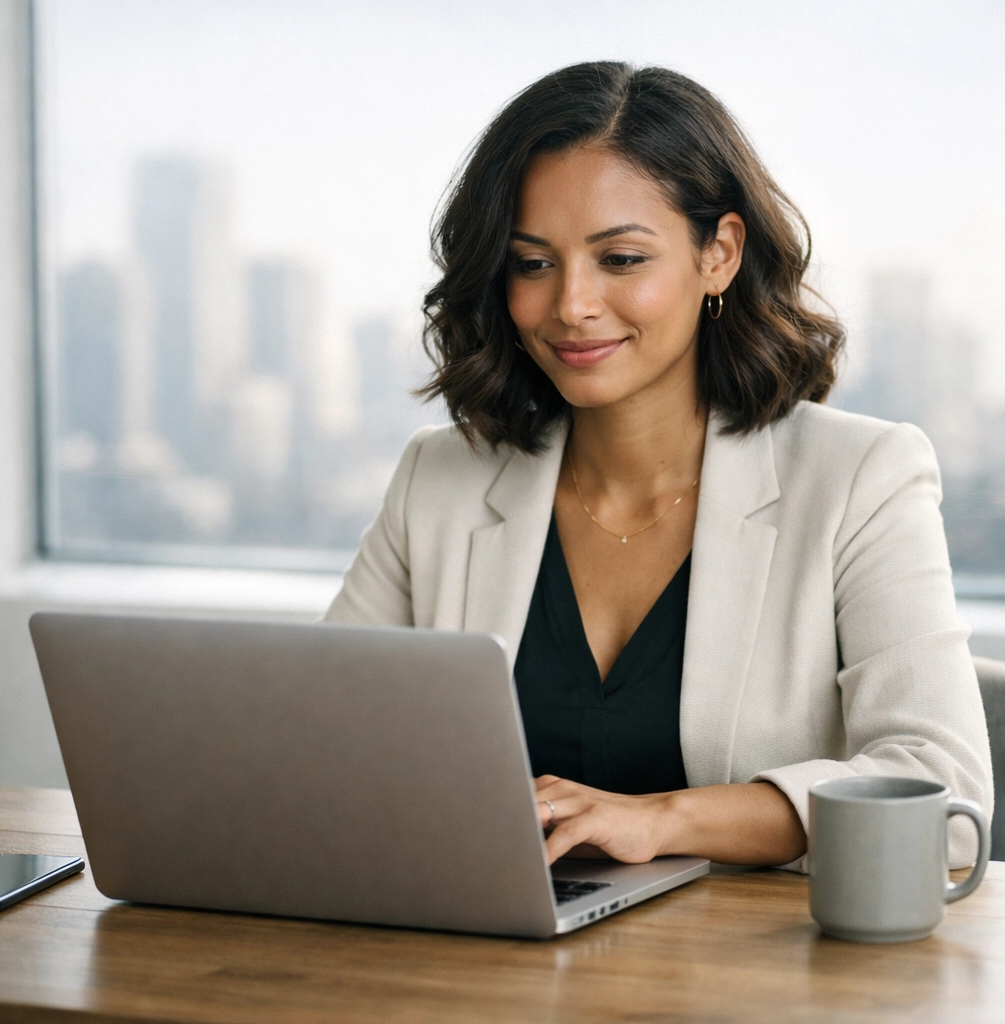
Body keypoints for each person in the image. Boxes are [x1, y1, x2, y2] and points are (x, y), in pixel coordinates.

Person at [325, 62, 992, 870]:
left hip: (755, 985)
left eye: (621, 259)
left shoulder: (862, 478)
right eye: (533, 263)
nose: (571, 303)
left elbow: (945, 797)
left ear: (719, 254)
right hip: (489, 967)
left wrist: (665, 821)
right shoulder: (439, 481)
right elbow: (320, 743)